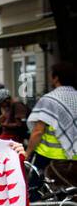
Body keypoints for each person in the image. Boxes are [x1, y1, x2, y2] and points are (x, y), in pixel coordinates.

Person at [25, 62, 77, 193]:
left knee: (34, 189)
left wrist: (27, 154)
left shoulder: (50, 100)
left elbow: (38, 131)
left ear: (56, 78)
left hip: (50, 157)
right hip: (74, 157)